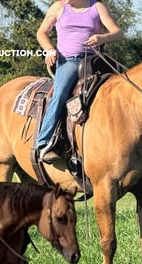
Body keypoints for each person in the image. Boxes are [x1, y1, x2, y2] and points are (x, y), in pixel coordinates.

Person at [35, 0, 123, 163]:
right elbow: (41, 32)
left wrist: (102, 37)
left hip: (95, 60)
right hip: (69, 61)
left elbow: (118, 32)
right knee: (60, 93)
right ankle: (43, 142)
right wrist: (49, 49)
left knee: (122, 88)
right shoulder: (58, 7)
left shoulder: (97, 7)